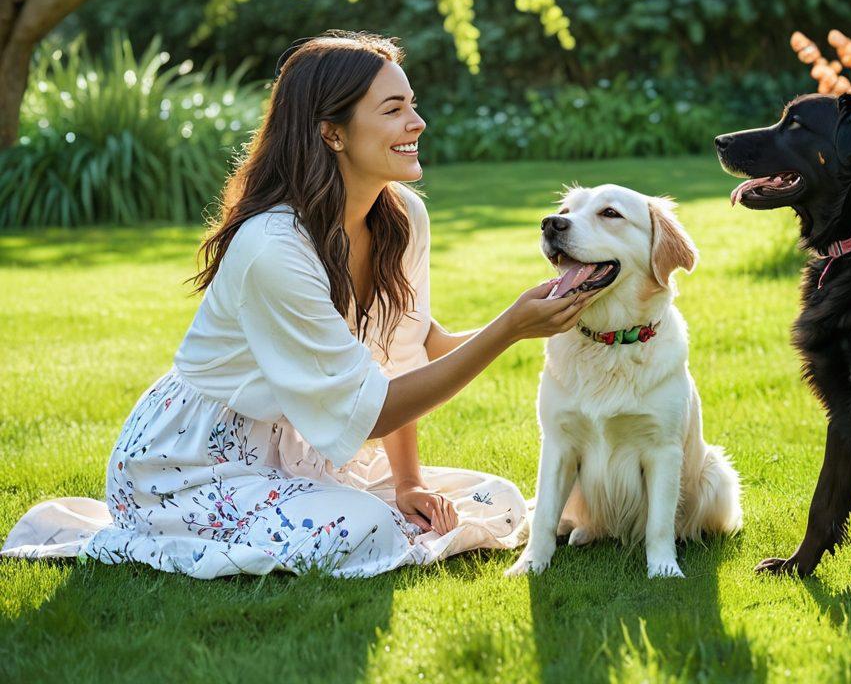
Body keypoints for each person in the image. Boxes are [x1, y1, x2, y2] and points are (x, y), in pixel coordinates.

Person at [1, 31, 599, 578]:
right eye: (393, 110)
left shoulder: (402, 217)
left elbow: (406, 350)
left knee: (491, 497)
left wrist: (411, 481)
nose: (417, 121)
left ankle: (358, 506)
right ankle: (147, 530)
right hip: (192, 462)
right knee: (366, 528)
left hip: (297, 447)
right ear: (331, 131)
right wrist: (513, 328)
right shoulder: (273, 247)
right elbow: (373, 413)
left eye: (411, 104)